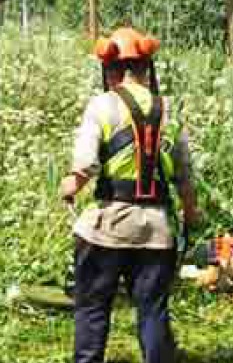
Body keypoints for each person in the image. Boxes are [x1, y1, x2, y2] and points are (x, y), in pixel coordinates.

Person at [59, 26, 200, 363]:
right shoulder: (168, 111)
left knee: (92, 307)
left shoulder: (102, 105)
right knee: (152, 310)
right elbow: (185, 179)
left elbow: (85, 164)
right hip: (156, 233)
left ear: (110, 70)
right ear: (146, 69)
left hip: (106, 228)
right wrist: (191, 215)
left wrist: (70, 186)